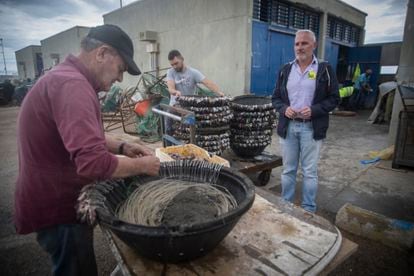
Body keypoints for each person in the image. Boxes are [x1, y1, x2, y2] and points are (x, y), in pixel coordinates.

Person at [15, 24, 160, 276]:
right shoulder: (73, 86)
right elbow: (93, 163)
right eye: (120, 69)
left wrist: (123, 146)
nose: (119, 79)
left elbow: (80, 136)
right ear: (102, 53)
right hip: (59, 209)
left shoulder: (66, 78)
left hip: (55, 199)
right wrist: (143, 166)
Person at [272, 29, 339, 213]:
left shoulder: (324, 69)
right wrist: (285, 109)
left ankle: (309, 210)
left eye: (304, 43)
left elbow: (334, 98)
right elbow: (276, 98)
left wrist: (315, 110)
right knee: (288, 170)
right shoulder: (286, 70)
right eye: (297, 44)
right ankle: (286, 206)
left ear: (314, 45)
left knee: (310, 172)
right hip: (289, 127)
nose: (300, 47)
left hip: (311, 128)